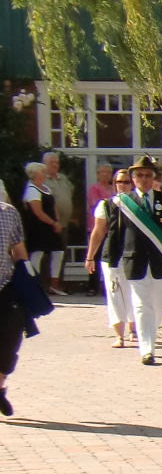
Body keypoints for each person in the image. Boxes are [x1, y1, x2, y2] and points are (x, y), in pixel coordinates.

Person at [108, 159, 162, 365]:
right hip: (135, 261)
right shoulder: (122, 202)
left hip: (160, 261)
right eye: (139, 175)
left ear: (154, 177)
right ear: (132, 179)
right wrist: (112, 264)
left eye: (148, 175)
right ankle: (147, 349)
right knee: (141, 305)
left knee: (158, 304)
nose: (144, 179)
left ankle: (151, 333)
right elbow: (115, 234)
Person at [84, 170, 139, 349]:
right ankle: (119, 335)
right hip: (112, 255)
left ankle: (133, 330)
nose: (122, 185)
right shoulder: (106, 205)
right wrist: (90, 257)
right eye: (118, 182)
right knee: (115, 294)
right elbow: (98, 232)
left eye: (126, 182)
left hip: (134, 255)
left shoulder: (139, 204)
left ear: (132, 184)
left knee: (133, 293)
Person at [0, 185, 28, 416]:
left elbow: (18, 250)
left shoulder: (8, 212)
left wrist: (28, 281)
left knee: (10, 342)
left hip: (5, 287)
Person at [20, 161, 62, 293]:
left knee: (58, 252)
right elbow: (38, 212)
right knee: (37, 254)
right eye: (42, 171)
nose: (45, 174)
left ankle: (54, 284)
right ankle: (34, 285)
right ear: (35, 173)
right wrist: (53, 222)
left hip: (51, 226)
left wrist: (57, 221)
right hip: (38, 227)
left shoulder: (46, 188)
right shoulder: (32, 190)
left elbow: (53, 206)